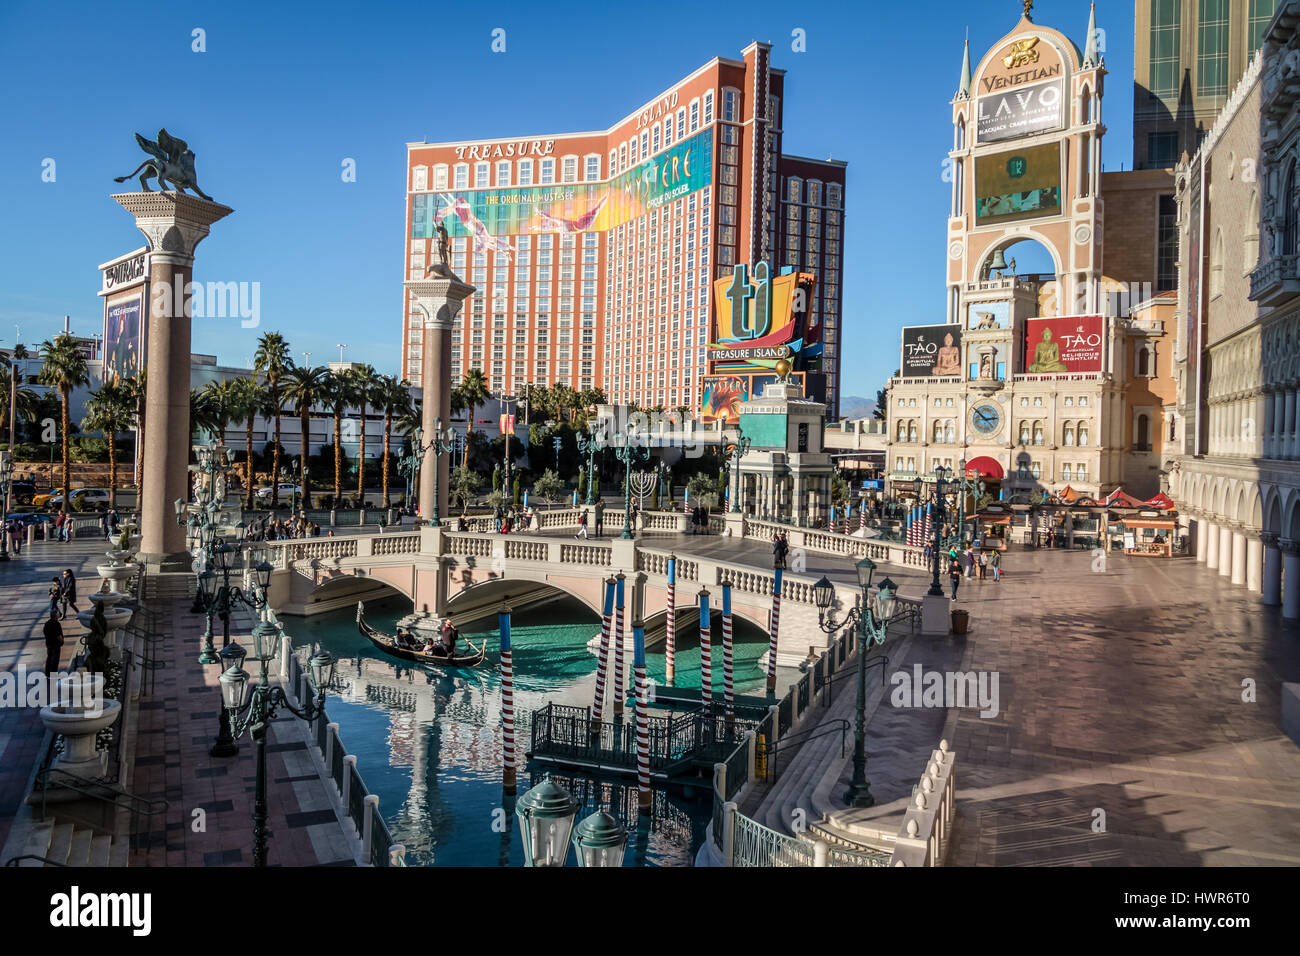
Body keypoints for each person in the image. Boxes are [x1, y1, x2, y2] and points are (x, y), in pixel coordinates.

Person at [43, 611, 64, 676]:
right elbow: (59, 635)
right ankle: (53, 674)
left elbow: (44, 632)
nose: (59, 615)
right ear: (55, 616)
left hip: (49, 643)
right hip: (56, 644)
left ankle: (47, 673)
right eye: (58, 614)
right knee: (55, 660)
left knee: (49, 658)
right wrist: (62, 641)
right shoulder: (56, 624)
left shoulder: (47, 623)